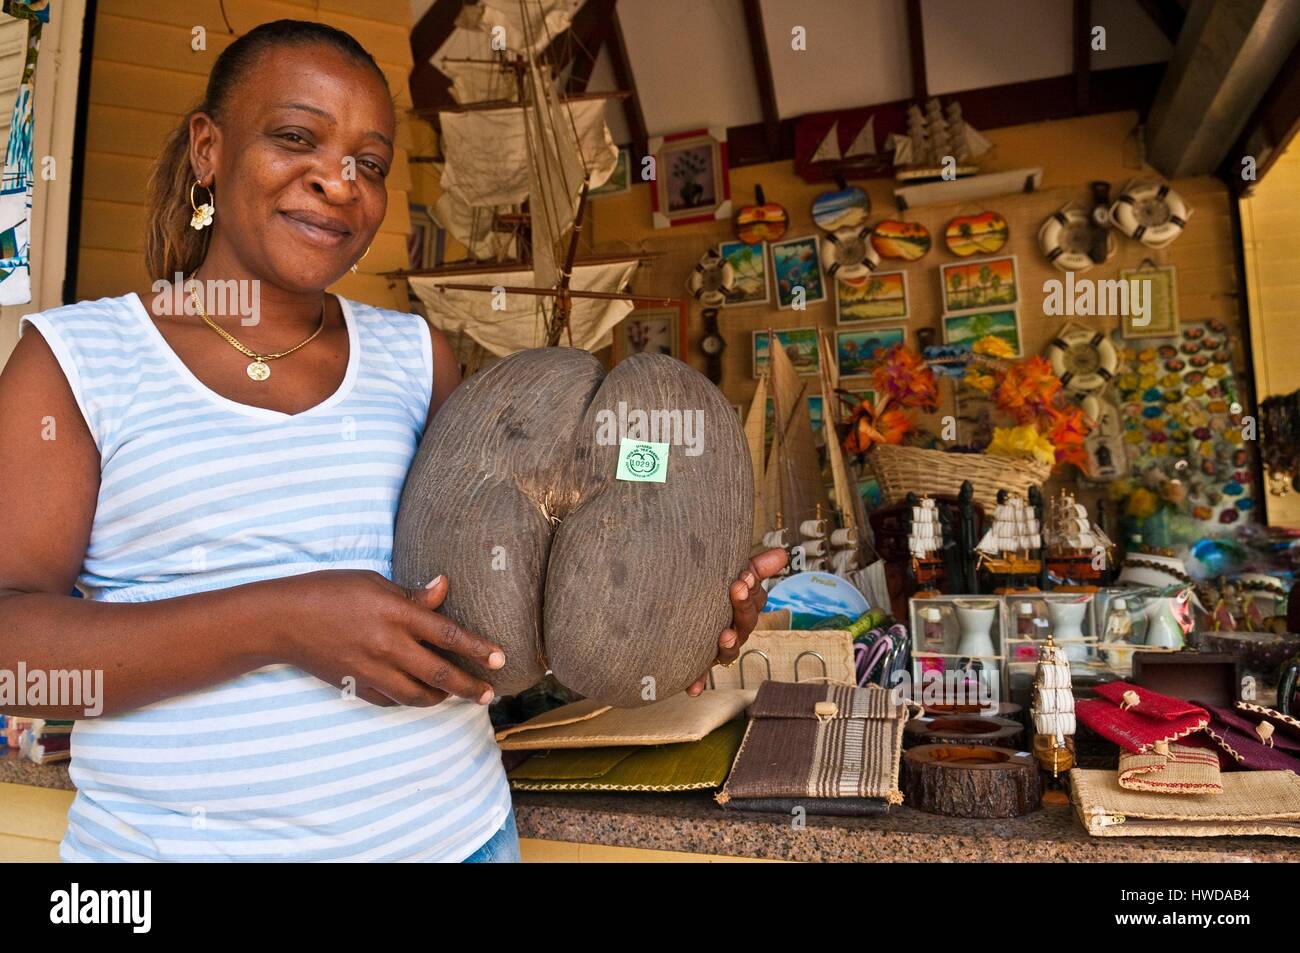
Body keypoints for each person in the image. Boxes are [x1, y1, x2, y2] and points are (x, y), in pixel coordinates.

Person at [0, 19, 784, 862]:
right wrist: (281, 621)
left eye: (369, 164)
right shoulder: (79, 360)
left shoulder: (414, 356)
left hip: (454, 838)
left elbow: (510, 579)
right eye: (296, 137)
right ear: (207, 150)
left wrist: (669, 589)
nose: (340, 183)